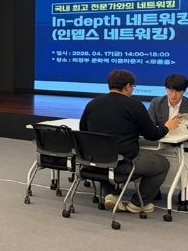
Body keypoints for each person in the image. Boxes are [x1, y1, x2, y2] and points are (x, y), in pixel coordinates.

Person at [80, 69, 180, 214]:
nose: (133, 90)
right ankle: (138, 203)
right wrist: (167, 127)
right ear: (127, 86)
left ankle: (110, 194)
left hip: (95, 161)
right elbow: (152, 134)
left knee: (105, 155)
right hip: (124, 163)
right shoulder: (134, 105)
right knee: (163, 164)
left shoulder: (93, 103)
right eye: (133, 86)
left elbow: (84, 131)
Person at [148, 74, 188, 210]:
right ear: (166, 89)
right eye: (170, 90)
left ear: (184, 91)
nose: (173, 94)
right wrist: (166, 127)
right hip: (161, 143)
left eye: (177, 91)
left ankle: (184, 191)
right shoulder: (156, 103)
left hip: (183, 145)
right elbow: (149, 127)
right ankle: (153, 187)